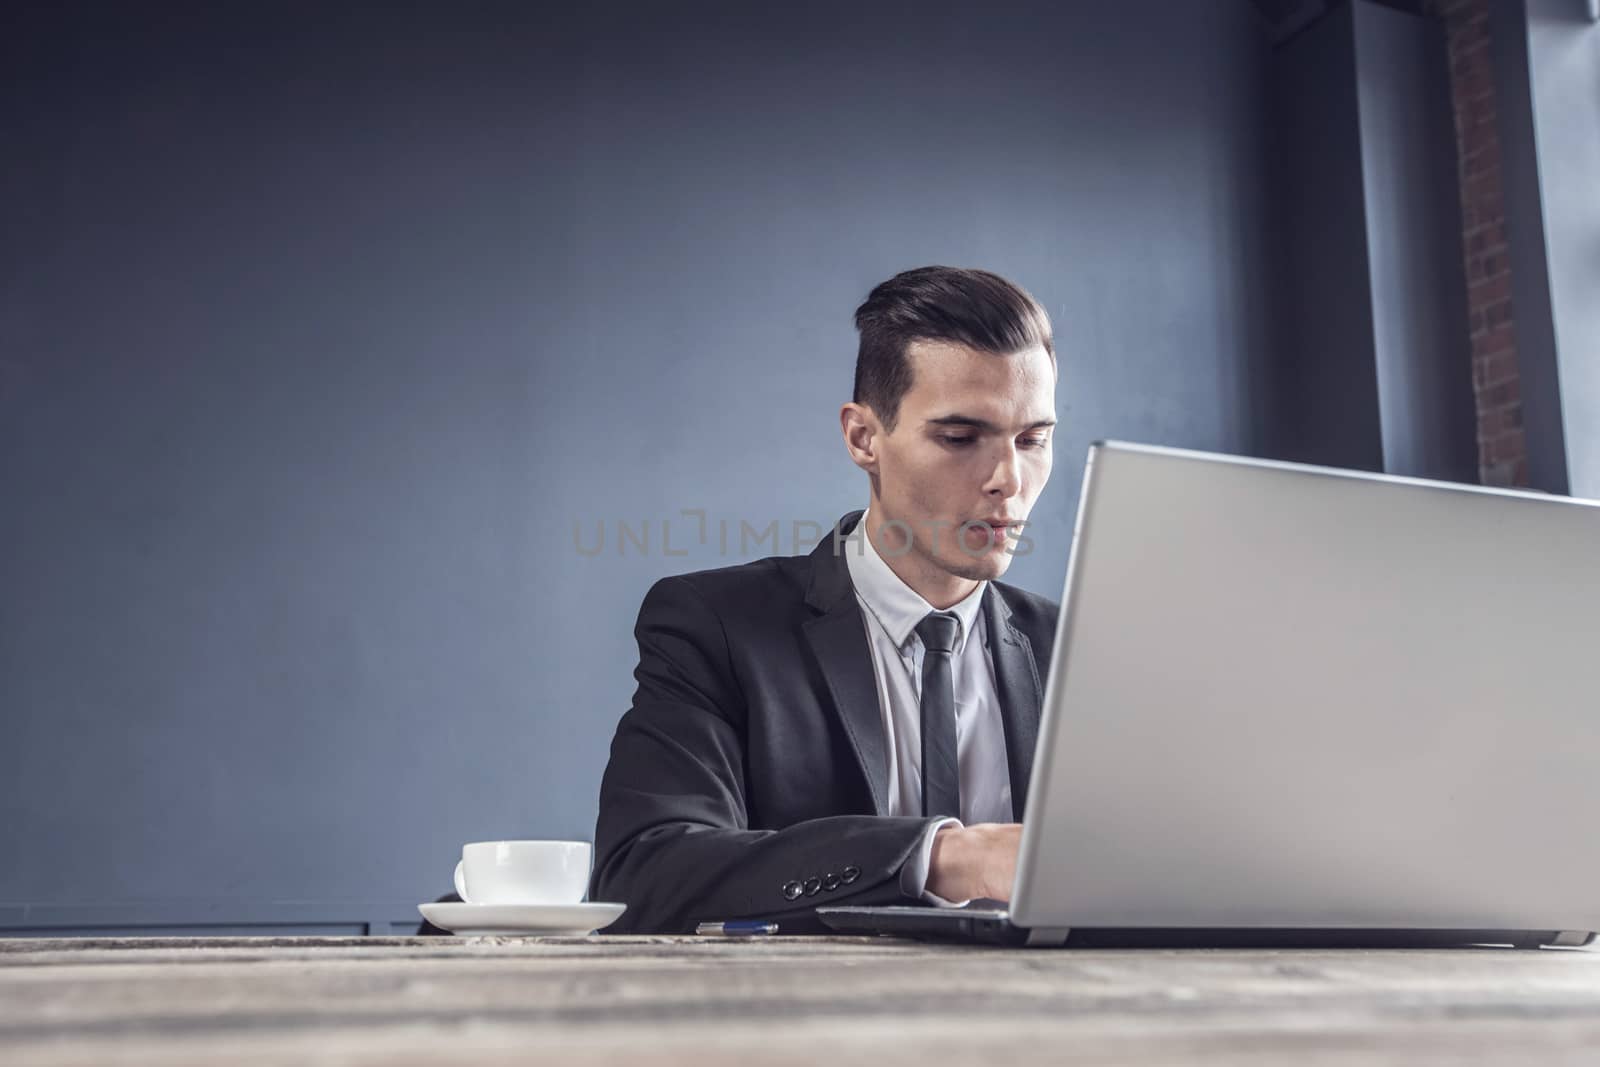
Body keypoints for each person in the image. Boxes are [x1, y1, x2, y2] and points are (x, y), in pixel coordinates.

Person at [589, 265, 1061, 934]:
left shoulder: (1078, 652)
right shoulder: (716, 627)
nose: (1008, 479)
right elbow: (647, 873)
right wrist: (940, 857)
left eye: (1032, 439)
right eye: (960, 438)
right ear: (863, 437)